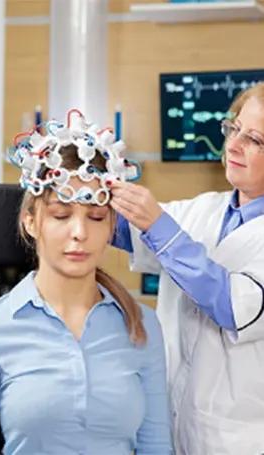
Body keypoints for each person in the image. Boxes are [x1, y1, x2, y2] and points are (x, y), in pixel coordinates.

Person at [0, 110, 173, 455]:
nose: (79, 233)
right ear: (31, 222)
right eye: (61, 216)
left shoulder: (142, 326)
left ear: (112, 227)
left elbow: (157, 447)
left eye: (95, 218)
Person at [109, 82, 264, 455]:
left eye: (255, 139)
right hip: (168, 427)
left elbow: (232, 304)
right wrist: (75, 189)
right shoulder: (202, 209)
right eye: (234, 129)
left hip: (239, 440)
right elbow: (121, 229)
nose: (235, 145)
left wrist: (159, 227)